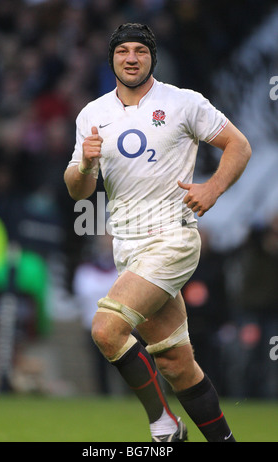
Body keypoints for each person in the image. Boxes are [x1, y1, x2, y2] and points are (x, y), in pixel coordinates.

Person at [64, 23, 251, 442]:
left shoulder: (183, 103)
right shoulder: (93, 114)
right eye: (123, 51)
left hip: (172, 237)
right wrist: (85, 165)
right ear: (112, 58)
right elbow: (78, 190)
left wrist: (213, 188)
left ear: (152, 57)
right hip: (128, 247)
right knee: (175, 363)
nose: (131, 58)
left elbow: (239, 145)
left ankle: (165, 427)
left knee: (106, 329)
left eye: (140, 51)